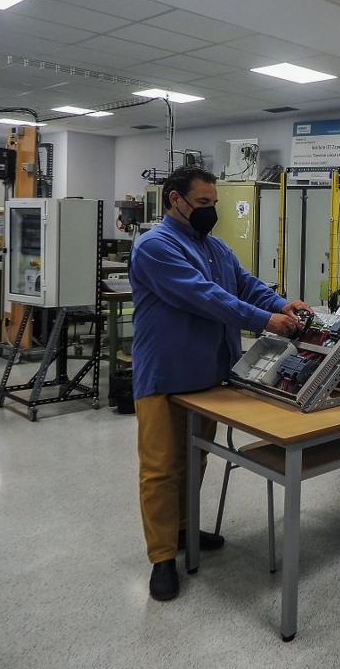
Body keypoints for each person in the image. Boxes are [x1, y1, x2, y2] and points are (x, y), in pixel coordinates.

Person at [129, 166, 310, 601]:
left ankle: (186, 532)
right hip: (165, 375)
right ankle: (161, 557)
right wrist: (266, 321)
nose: (211, 212)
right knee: (160, 470)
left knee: (195, 461)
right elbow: (207, 297)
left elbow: (244, 285)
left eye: (215, 204)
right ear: (175, 199)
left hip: (209, 375)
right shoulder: (154, 247)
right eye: (203, 204)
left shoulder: (215, 247)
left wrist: (281, 302)